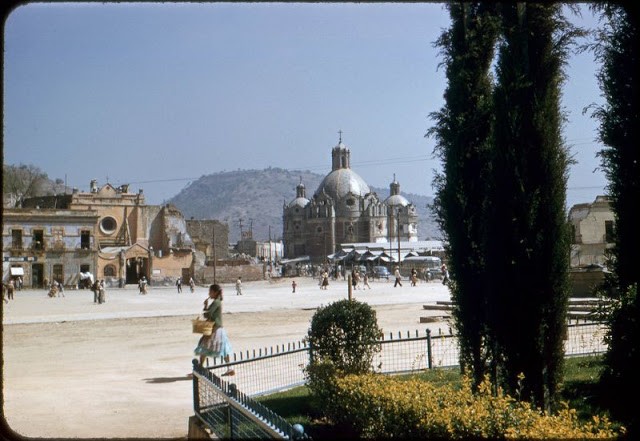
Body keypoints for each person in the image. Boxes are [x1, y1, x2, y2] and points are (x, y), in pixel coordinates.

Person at [194, 284, 234, 376]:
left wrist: (205, 309)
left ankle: (200, 367)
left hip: (214, 328)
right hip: (218, 328)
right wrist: (206, 307)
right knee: (223, 347)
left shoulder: (216, 302)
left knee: (203, 346)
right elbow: (210, 313)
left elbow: (209, 314)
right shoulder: (218, 301)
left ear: (215, 292)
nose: (209, 293)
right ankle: (230, 368)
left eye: (210, 292)